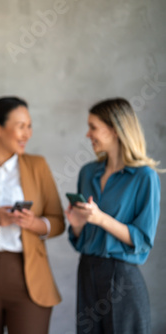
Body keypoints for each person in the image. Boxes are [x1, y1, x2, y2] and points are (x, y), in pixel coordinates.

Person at [0, 97, 65, 334]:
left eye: (29, 126)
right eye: (21, 126)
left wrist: (35, 223)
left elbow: (58, 222)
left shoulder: (37, 166)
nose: (27, 133)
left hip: (28, 278)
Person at [66, 98, 161, 334]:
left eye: (93, 127)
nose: (88, 134)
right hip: (87, 270)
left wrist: (101, 219)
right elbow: (81, 239)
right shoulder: (87, 172)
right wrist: (77, 226)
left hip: (122, 279)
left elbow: (142, 239)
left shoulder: (145, 177)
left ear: (115, 130)